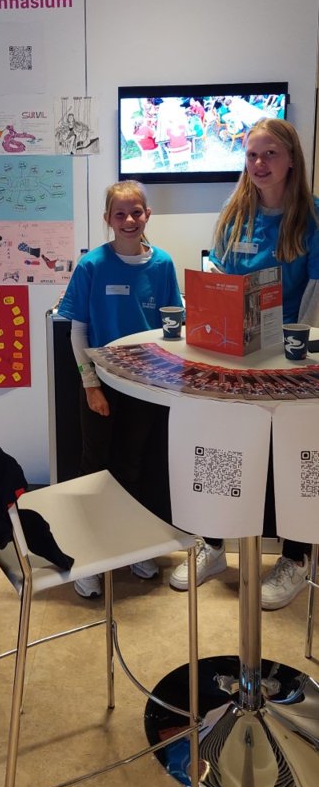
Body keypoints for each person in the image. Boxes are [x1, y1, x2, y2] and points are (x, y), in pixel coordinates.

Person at [170, 117, 319, 609]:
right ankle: (213, 545)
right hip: (235, 358)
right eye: (252, 154)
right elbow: (220, 277)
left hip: (292, 362)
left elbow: (316, 295)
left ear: (291, 159)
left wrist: (297, 352)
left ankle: (296, 558)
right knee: (221, 450)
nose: (259, 163)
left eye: (270, 153)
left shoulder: (312, 218)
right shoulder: (235, 213)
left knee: (292, 458)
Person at [59, 179, 182, 598]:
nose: (129, 220)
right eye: (120, 214)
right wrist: (90, 385)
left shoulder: (162, 264)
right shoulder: (92, 265)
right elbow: (78, 331)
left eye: (136, 212)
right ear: (108, 219)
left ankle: (130, 547)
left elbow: (171, 325)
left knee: (135, 466)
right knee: (96, 468)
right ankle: (88, 556)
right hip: (101, 387)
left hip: (146, 388)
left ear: (148, 215)